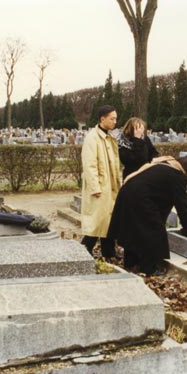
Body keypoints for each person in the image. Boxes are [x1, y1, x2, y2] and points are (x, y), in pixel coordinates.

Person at [108, 154, 187, 275]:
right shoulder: (177, 176)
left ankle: (131, 263)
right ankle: (148, 268)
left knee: (134, 230)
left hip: (128, 193)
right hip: (139, 198)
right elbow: (182, 205)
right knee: (154, 232)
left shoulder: (167, 164)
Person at [80, 104, 121, 258]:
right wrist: (95, 187)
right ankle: (83, 251)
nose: (115, 122)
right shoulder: (92, 138)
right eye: (112, 119)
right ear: (102, 119)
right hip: (101, 186)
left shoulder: (109, 137)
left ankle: (109, 253)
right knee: (97, 222)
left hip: (109, 184)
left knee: (108, 220)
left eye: (115, 119)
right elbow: (89, 165)